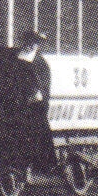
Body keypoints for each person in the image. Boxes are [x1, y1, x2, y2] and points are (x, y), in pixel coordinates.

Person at [9, 31, 58, 178]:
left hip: (34, 106)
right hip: (17, 102)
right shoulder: (14, 59)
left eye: (34, 43)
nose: (31, 45)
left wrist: (38, 95)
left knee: (37, 131)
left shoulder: (40, 63)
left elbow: (43, 86)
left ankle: (42, 166)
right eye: (29, 42)